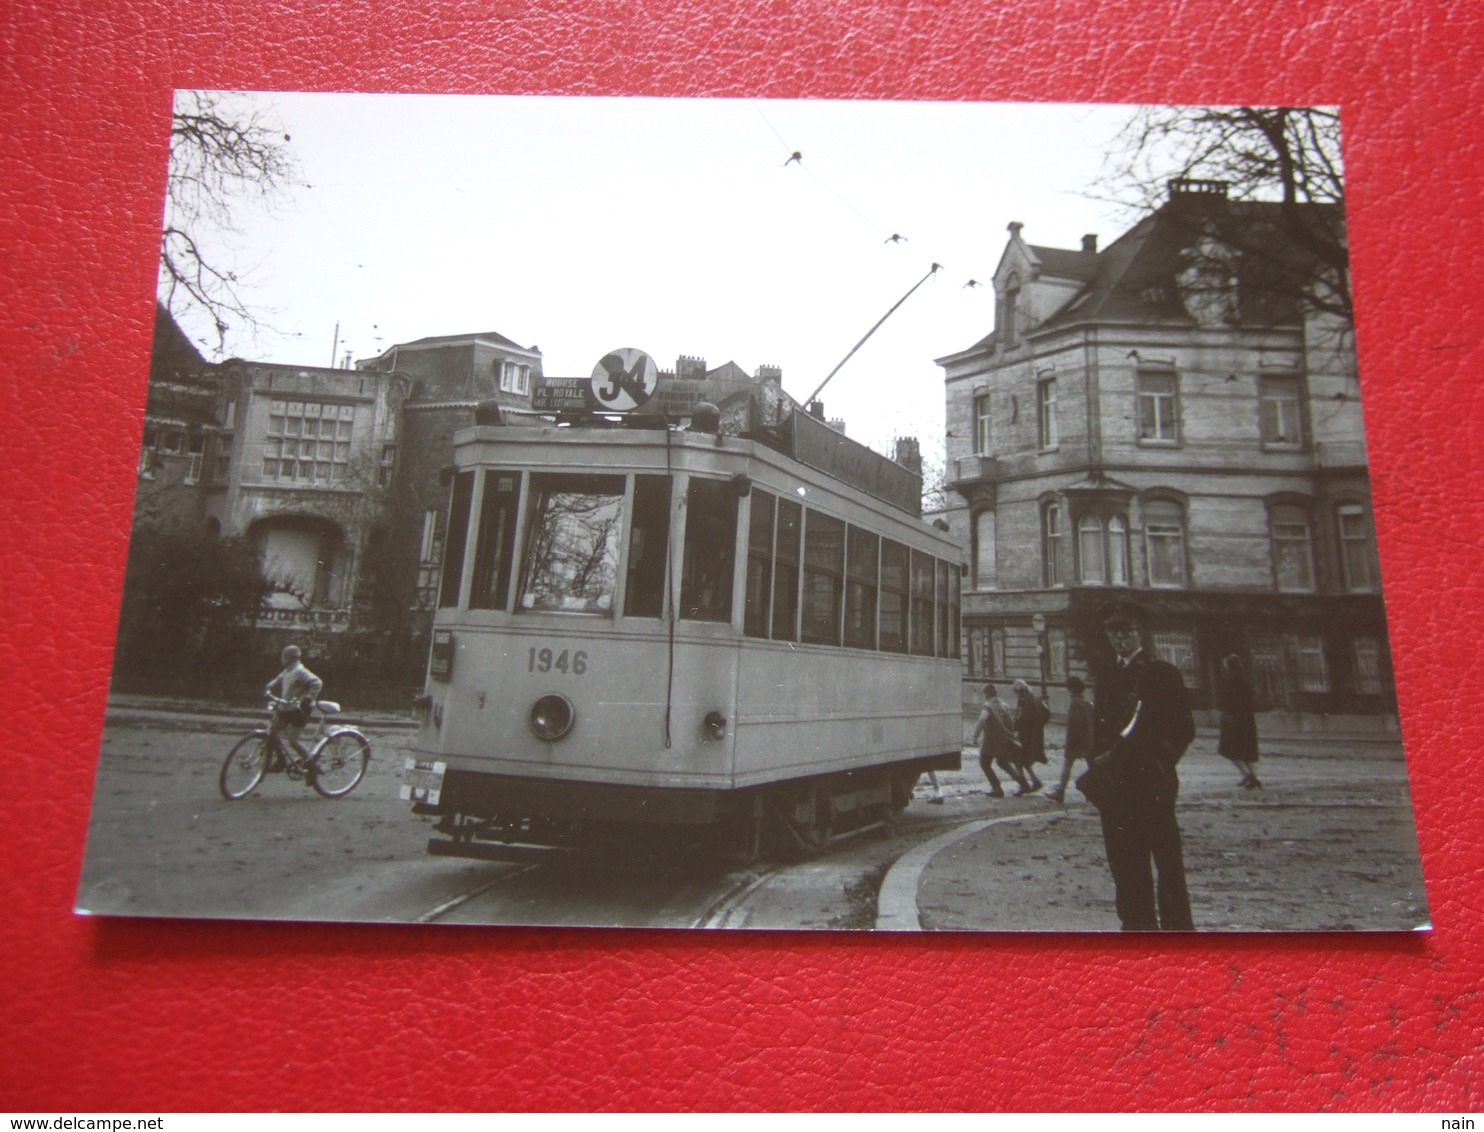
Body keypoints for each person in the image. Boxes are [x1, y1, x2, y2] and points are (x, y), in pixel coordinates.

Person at [1078, 600, 1196, 931]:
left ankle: (1178, 931)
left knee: (1167, 862)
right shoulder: (1106, 675)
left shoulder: (1163, 674)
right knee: (1125, 863)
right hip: (1117, 789)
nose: (1120, 638)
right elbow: (1100, 732)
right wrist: (1099, 765)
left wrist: (1160, 761)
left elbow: (1184, 728)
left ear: (1140, 632)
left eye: (1126, 630)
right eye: (1113, 632)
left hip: (1153, 785)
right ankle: (1137, 928)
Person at [264, 644, 323, 770]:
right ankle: (281, 761)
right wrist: (268, 688)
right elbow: (276, 681)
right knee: (272, 733)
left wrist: (308, 699)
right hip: (285, 708)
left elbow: (317, 683)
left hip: (298, 710)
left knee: (293, 741)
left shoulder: (300, 671)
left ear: (289, 658)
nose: (281, 660)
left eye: (283, 657)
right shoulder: (288, 670)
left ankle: (313, 766)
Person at [971, 682, 1029, 797]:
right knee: (1003, 762)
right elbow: (1009, 722)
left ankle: (996, 787)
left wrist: (975, 736)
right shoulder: (1004, 706)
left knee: (984, 763)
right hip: (1004, 739)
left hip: (990, 740)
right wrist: (1010, 735)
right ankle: (1022, 782)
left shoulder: (988, 706)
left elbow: (982, 719)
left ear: (987, 694)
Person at [1046, 675, 1094, 804]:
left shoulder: (1075, 703)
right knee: (1092, 767)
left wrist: (1070, 742)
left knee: (1067, 765)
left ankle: (1060, 792)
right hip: (1088, 740)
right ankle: (1093, 792)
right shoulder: (1086, 703)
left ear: (1071, 689)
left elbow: (1075, 724)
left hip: (1076, 741)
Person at [1217, 654, 1262, 789]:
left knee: (1230, 750)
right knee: (1245, 751)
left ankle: (1247, 775)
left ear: (1229, 667)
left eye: (1225, 666)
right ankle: (1252, 776)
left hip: (1233, 720)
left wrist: (1227, 712)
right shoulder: (1244, 679)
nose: (1223, 668)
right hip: (1246, 720)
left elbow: (1225, 700)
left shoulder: (1231, 681)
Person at [1011, 679, 1048, 794]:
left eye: (1016, 692)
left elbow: (1023, 719)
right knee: (1025, 760)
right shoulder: (1037, 699)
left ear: (1020, 691)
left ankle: (1023, 786)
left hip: (1026, 736)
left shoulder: (1023, 701)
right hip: (1036, 735)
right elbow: (1047, 714)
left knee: (1017, 759)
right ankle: (1035, 780)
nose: (1016, 695)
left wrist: (1014, 727)